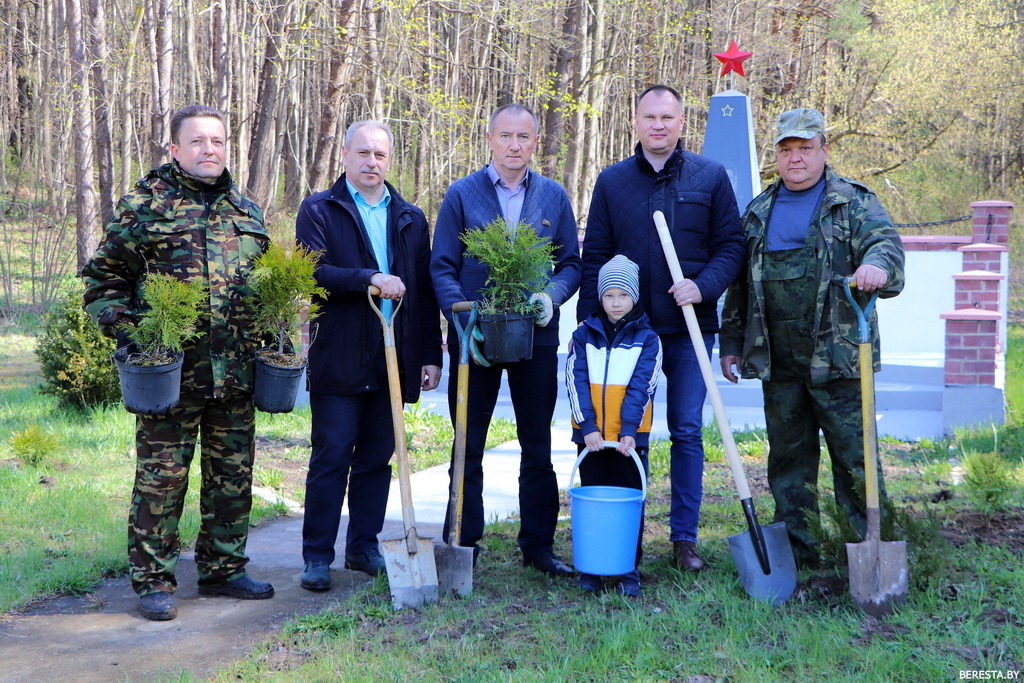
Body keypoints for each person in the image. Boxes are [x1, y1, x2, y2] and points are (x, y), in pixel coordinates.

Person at [82, 105, 274, 622]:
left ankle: (223, 569)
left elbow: (264, 288)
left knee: (231, 478)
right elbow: (102, 283)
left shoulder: (246, 211)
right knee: (161, 481)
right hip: (168, 375)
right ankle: (153, 580)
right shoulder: (144, 207)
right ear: (174, 149)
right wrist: (131, 336)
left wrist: (275, 327)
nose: (208, 150)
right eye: (196, 142)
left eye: (217, 141)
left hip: (234, 374)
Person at [719, 107, 906, 567]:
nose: (796, 158)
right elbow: (740, 287)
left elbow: (887, 246)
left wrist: (876, 266)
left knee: (855, 463)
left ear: (824, 149)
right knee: (788, 465)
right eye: (787, 149)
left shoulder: (853, 202)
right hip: (778, 363)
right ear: (776, 156)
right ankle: (801, 555)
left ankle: (866, 554)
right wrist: (730, 343)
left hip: (840, 360)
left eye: (806, 148)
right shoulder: (758, 213)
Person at [579, 85, 744, 572]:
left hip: (689, 327)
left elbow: (731, 245)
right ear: (635, 121)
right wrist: (591, 322)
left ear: (680, 121)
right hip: (628, 333)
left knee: (687, 430)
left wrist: (704, 286)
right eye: (649, 116)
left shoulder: (710, 178)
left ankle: (683, 541)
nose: (658, 125)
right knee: (633, 431)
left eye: (667, 117)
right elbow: (595, 257)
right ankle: (626, 540)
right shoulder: (612, 182)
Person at [431, 103, 582, 577]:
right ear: (491, 139)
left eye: (524, 137)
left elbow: (573, 264)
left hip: (535, 338)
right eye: (506, 136)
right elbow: (441, 266)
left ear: (535, 142)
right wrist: (463, 314)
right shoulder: (462, 194)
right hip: (475, 338)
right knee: (467, 443)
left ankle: (538, 546)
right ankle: (462, 539)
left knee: (537, 443)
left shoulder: (553, 197)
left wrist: (551, 296)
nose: (515, 145)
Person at [294, 120, 442, 591]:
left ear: (390, 160)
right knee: (332, 457)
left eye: (379, 155)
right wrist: (368, 278)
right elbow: (313, 273)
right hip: (337, 355)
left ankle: (362, 547)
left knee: (377, 458)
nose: (371, 162)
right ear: (344, 154)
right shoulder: (320, 209)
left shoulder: (410, 217)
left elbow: (421, 291)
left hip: (392, 358)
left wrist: (429, 353)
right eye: (362, 153)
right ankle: (317, 556)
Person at [566, 255, 662, 596]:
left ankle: (628, 569)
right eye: (609, 295)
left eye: (623, 295)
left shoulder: (648, 340)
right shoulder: (582, 336)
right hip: (591, 438)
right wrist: (588, 427)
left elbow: (643, 387)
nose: (616, 302)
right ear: (600, 297)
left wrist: (629, 433)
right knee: (592, 500)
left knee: (628, 500)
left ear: (634, 296)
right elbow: (575, 382)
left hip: (629, 441)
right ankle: (591, 568)